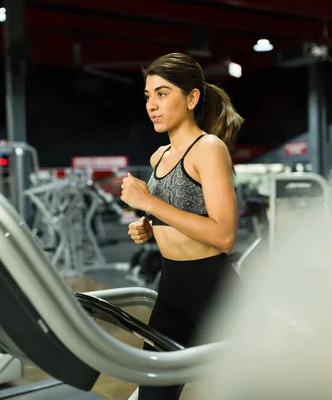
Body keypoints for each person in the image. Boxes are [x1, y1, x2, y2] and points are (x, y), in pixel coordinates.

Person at [120, 52, 244, 399]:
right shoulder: (158, 157)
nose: (152, 105)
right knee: (154, 392)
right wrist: (148, 226)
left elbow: (224, 235)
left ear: (191, 98)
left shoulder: (208, 148)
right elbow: (177, 214)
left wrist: (149, 203)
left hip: (214, 292)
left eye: (162, 93)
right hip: (171, 287)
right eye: (148, 96)